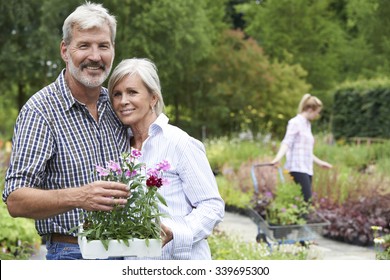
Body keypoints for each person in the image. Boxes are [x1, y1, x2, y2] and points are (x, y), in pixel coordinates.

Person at [2, 2, 130, 260]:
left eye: (103, 46)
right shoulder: (41, 111)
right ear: (65, 50)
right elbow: (15, 199)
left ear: (113, 50)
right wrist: (80, 196)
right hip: (73, 253)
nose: (95, 56)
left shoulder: (119, 107)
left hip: (128, 252)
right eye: (84, 45)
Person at [108, 58, 225, 260]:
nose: (123, 101)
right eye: (117, 94)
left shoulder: (179, 143)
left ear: (153, 98)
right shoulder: (119, 147)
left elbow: (212, 206)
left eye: (132, 92)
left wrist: (174, 232)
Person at [270, 93, 332, 202]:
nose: (317, 115)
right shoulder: (295, 122)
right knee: (306, 199)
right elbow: (286, 142)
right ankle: (301, 219)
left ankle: (298, 218)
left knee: (305, 201)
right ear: (309, 109)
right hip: (297, 166)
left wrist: (320, 162)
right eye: (316, 112)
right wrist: (277, 158)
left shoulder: (307, 125)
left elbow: (306, 151)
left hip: (306, 167)